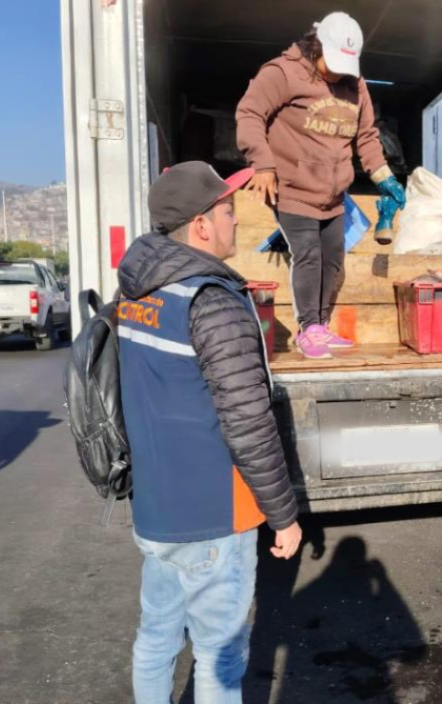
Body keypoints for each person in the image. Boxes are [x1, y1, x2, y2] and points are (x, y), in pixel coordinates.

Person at [117, 161, 302, 704]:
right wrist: (283, 515)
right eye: (227, 210)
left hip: (155, 511)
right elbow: (247, 422)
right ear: (201, 225)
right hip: (212, 516)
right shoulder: (213, 301)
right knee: (220, 653)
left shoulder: (138, 293)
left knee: (156, 637)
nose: (236, 220)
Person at [236, 12, 406, 360]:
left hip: (333, 194)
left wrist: (385, 178)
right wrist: (263, 165)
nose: (340, 71)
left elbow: (367, 137)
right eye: (335, 62)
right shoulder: (282, 72)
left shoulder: (355, 85)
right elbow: (250, 113)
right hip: (292, 188)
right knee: (309, 254)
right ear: (317, 45)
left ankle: (321, 327)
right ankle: (307, 329)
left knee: (333, 260)